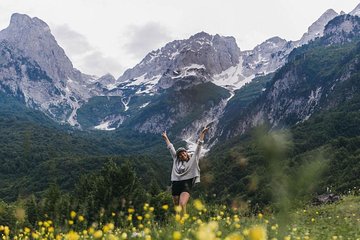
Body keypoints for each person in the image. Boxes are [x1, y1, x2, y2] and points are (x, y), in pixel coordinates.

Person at [161, 127, 209, 215]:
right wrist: (166, 138)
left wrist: (203, 134)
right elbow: (170, 148)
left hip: (187, 183)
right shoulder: (176, 160)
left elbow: (199, 146)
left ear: (186, 153)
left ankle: (183, 223)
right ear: (178, 157)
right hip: (175, 183)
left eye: (183, 153)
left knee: (182, 204)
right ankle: (179, 223)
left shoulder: (193, 159)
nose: (182, 155)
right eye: (180, 154)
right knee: (177, 207)